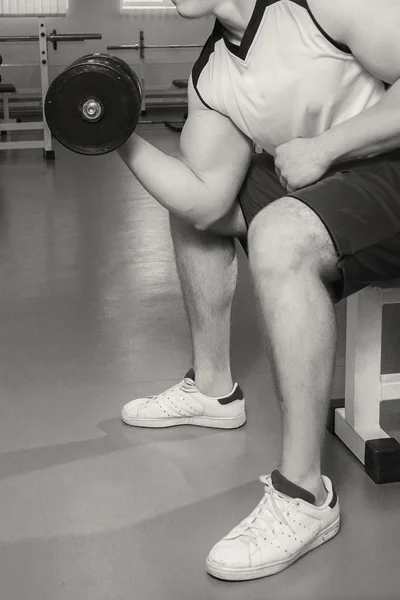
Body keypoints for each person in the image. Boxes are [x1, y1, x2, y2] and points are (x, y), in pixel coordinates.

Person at [118, 0, 400, 581]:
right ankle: (214, 388)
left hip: (389, 167)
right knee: (191, 203)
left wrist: (328, 147)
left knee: (277, 234)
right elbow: (205, 199)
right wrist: (114, 132)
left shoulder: (320, 6)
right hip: (333, 185)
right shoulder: (213, 74)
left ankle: (304, 497)